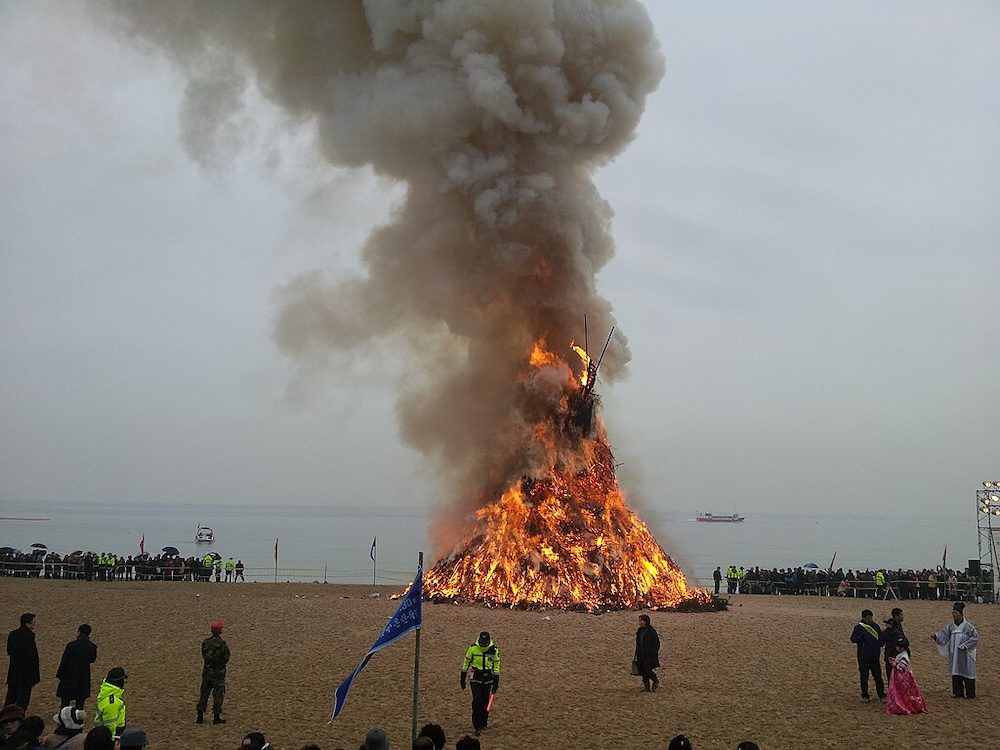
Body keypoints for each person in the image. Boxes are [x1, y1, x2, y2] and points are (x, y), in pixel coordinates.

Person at [932, 601, 979, 698]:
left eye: (955, 613)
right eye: (953, 613)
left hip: (965, 654)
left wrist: (965, 645)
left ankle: (970, 693)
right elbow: (943, 637)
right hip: (954, 654)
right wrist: (936, 637)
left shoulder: (969, 627)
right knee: (956, 671)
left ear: (961, 614)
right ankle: (958, 693)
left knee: (967, 671)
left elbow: (975, 638)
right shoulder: (950, 626)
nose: (953, 615)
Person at [460, 631, 500, 736]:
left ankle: (483, 722)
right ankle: (476, 725)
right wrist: (462, 677)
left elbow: (496, 664)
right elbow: (466, 661)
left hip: (488, 678)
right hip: (476, 677)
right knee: (477, 700)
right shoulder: (473, 648)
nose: (483, 645)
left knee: (485, 701)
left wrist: (496, 681)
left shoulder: (494, 650)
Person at [196, 620, 230, 724]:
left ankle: (200, 716)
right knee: (218, 695)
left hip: (207, 672)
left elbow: (204, 655)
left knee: (204, 693)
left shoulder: (206, 642)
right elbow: (226, 657)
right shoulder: (222, 644)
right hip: (218, 673)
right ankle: (216, 717)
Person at [56, 625, 97, 710]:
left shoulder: (71, 645)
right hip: (83, 675)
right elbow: (92, 659)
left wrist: (59, 675)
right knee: (80, 701)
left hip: (69, 675)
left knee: (65, 701)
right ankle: (78, 720)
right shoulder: (92, 646)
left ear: (79, 632)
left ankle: (63, 718)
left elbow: (64, 661)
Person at [885, 636, 927, 715]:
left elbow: (902, 668)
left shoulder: (904, 656)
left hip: (903, 678)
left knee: (904, 693)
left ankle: (905, 706)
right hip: (903, 677)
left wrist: (895, 663)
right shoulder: (903, 654)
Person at [5, 614, 40, 710]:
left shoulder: (13, 634)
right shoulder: (29, 637)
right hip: (26, 674)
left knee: (11, 697)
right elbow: (32, 657)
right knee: (23, 700)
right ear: (27, 623)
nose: (34, 624)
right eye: (33, 622)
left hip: (13, 671)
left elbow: (9, 651)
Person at [850, 609, 885, 702]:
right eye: (868, 618)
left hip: (874, 656)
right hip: (863, 657)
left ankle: (881, 695)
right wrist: (859, 638)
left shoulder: (876, 626)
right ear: (863, 618)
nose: (870, 619)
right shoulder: (858, 627)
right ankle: (865, 695)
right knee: (864, 677)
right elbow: (853, 639)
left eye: (871, 617)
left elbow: (880, 638)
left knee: (878, 677)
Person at [92, 667, 126, 739]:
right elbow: (110, 726)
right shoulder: (112, 702)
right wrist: (113, 740)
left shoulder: (108, 694)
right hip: (110, 736)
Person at [634, 614, 660, 692]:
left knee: (647, 670)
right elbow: (638, 643)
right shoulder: (639, 631)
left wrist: (653, 653)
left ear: (646, 621)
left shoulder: (651, 631)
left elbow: (656, 643)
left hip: (649, 655)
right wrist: (636, 652)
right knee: (642, 670)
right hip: (640, 654)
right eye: (639, 620)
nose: (640, 622)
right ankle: (646, 687)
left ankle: (655, 680)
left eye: (641, 620)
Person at [881, 608, 904, 680]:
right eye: (901, 615)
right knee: (893, 676)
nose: (902, 616)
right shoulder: (893, 628)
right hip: (892, 655)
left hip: (895, 654)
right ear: (896, 616)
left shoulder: (898, 625)